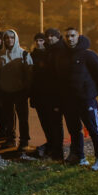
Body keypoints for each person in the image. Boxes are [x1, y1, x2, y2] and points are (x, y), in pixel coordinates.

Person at [56, 27, 98, 170]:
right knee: (74, 130)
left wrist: (92, 93)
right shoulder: (62, 56)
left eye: (73, 35)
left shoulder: (88, 55)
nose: (70, 38)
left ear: (78, 36)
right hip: (69, 101)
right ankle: (79, 156)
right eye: (67, 36)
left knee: (93, 129)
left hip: (86, 100)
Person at [0, 29, 33, 150]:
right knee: (8, 117)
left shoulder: (24, 54)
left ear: (16, 38)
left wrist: (27, 90)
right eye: (7, 38)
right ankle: (10, 139)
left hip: (20, 91)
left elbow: (29, 74)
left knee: (23, 117)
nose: (9, 40)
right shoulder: (1, 54)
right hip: (6, 91)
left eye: (12, 37)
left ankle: (24, 140)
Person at [30, 32, 64, 160]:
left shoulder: (51, 54)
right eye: (37, 40)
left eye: (41, 40)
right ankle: (50, 147)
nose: (39, 43)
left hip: (52, 96)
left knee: (55, 124)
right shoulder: (32, 55)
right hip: (39, 96)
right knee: (45, 124)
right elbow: (32, 78)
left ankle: (58, 153)